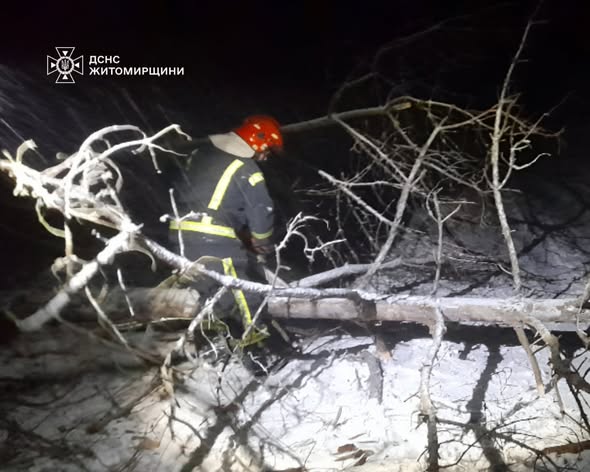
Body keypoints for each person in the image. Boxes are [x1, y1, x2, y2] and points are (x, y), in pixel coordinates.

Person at [168, 115, 283, 346]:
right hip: (212, 236)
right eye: (267, 150)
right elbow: (261, 208)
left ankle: (216, 342)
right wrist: (262, 242)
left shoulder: (200, 155)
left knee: (209, 291)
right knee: (241, 292)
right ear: (258, 141)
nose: (266, 156)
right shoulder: (246, 167)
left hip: (179, 231)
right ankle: (259, 348)